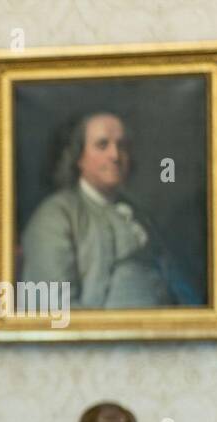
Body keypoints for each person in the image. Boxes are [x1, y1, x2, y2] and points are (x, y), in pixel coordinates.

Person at [20, 111, 174, 309]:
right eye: (102, 145)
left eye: (122, 146)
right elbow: (51, 307)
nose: (115, 155)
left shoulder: (139, 214)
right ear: (79, 157)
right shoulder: (55, 216)